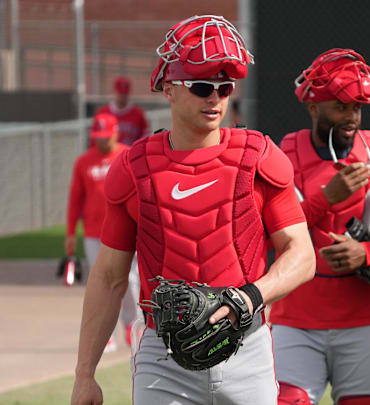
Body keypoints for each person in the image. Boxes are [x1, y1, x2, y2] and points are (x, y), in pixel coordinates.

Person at [70, 15, 315, 405]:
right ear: (168, 88)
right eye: (201, 86)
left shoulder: (259, 157)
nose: (215, 98)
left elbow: (302, 254)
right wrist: (85, 374)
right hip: (162, 355)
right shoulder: (135, 169)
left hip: (247, 347)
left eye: (224, 87)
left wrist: (249, 297)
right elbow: (109, 278)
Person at [270, 48, 370, 405]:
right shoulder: (280, 159)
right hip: (296, 316)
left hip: (364, 317)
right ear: (313, 106)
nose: (351, 118)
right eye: (341, 106)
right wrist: (325, 198)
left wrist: (366, 252)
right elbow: (264, 233)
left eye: (357, 108)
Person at [65, 112, 131, 352]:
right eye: (97, 137)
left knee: (131, 282)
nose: (101, 141)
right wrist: (71, 231)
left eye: (105, 136)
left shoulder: (127, 156)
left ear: (115, 133)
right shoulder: (84, 162)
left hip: (127, 230)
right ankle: (107, 336)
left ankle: (132, 326)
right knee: (102, 283)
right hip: (95, 232)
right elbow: (75, 198)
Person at [95, 76, 150, 146]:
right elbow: (95, 138)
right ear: (114, 91)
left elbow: (145, 136)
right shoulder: (103, 112)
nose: (123, 96)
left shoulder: (138, 113)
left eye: (125, 93)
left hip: (131, 154)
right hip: (110, 155)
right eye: (120, 93)